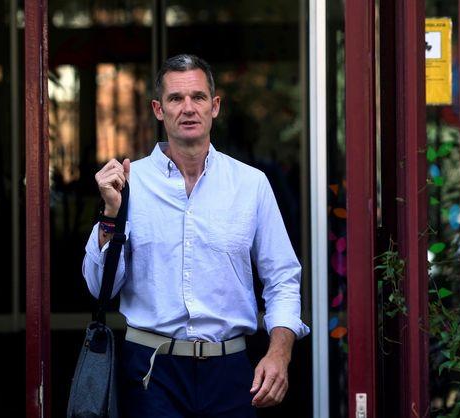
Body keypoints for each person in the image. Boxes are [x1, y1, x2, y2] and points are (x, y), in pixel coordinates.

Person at [82, 54, 309, 418]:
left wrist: (279, 353)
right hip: (150, 372)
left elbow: (282, 277)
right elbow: (99, 288)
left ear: (214, 106)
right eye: (175, 98)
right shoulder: (129, 183)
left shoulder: (250, 184)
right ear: (158, 109)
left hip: (230, 372)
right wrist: (110, 214)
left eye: (198, 97)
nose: (188, 108)